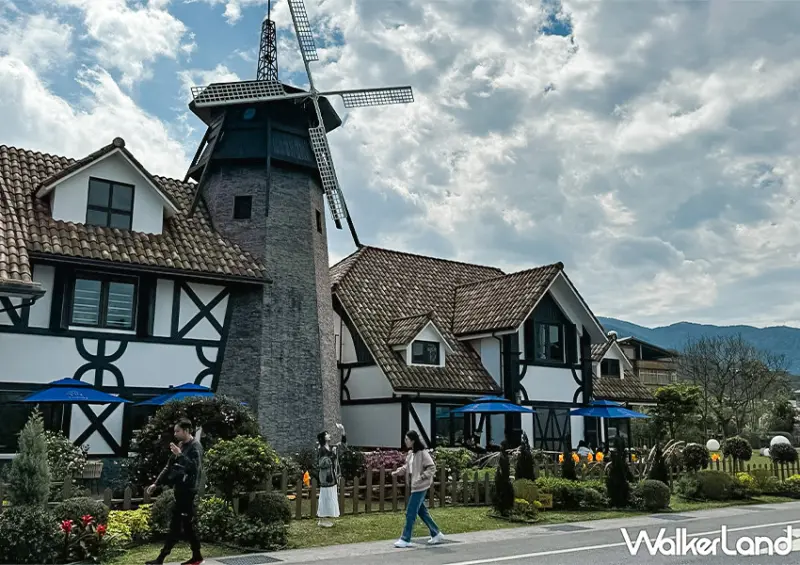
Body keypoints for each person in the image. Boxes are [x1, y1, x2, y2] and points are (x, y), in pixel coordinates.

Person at [145, 418, 204, 565]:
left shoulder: (195, 447)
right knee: (187, 526)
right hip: (179, 489)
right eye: (175, 431)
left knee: (176, 525)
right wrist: (156, 483)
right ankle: (197, 556)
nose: (175, 434)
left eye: (178, 431)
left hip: (188, 491)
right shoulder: (181, 445)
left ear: (186, 431)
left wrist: (180, 455)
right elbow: (169, 466)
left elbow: (194, 468)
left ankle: (161, 558)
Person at [391, 430, 444, 548]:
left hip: (420, 486)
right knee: (422, 512)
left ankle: (405, 539)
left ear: (413, 440)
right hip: (414, 486)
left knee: (410, 512)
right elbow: (407, 467)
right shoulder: (411, 454)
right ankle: (436, 533)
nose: (405, 441)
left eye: (407, 439)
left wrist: (422, 477)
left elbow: (432, 468)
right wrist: (398, 472)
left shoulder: (423, 453)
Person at [316, 423, 346, 527]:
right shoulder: (321, 449)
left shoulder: (330, 448)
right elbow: (322, 463)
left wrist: (342, 430)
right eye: (327, 434)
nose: (329, 435)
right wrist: (332, 454)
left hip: (332, 477)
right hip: (326, 479)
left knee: (330, 498)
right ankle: (321, 519)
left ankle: (325, 519)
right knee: (325, 498)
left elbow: (343, 445)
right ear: (323, 438)